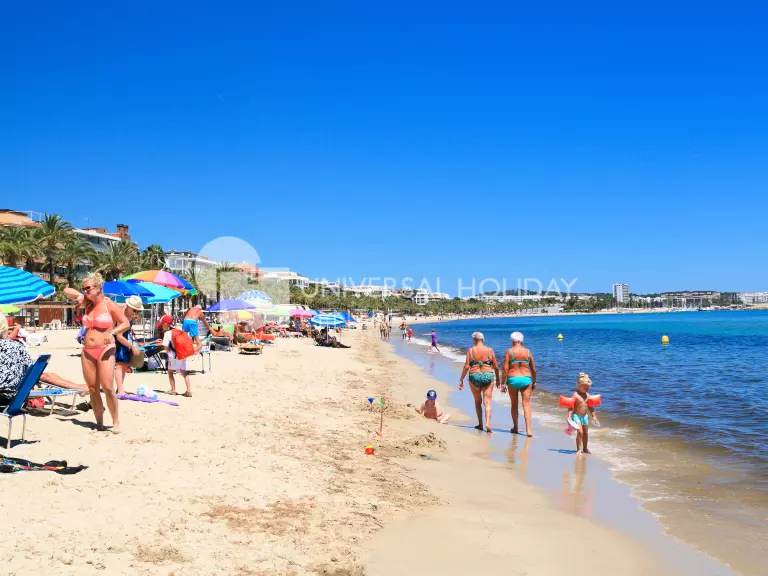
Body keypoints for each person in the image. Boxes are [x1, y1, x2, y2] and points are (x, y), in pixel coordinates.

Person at [64, 273, 128, 433]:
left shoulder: (109, 305)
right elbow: (66, 290)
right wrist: (80, 295)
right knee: (92, 388)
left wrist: (112, 333)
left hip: (105, 349)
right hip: (87, 350)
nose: (85, 291)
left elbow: (125, 323)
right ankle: (99, 423)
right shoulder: (88, 303)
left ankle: (115, 422)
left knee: (108, 387)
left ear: (99, 288)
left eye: (88, 288)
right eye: (84, 288)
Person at [459, 332, 501, 433]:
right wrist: (498, 380)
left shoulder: (470, 350)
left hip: (475, 376)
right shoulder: (490, 350)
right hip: (488, 375)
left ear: (474, 340)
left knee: (478, 401)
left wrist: (461, 379)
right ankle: (488, 423)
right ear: (483, 339)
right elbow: (495, 367)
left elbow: (466, 366)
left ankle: (480, 424)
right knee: (488, 401)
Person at [501, 331, 537, 437]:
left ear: (513, 341)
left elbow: (505, 369)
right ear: (521, 341)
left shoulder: (509, 351)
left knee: (514, 404)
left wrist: (503, 383)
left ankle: (516, 428)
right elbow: (533, 369)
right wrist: (534, 381)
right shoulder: (528, 352)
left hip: (513, 379)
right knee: (526, 404)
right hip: (526, 379)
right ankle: (528, 430)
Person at [114, 296, 144, 395]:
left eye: (137, 310)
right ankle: (120, 390)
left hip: (124, 340)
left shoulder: (129, 315)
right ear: (128, 306)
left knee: (124, 365)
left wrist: (129, 328)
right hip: (117, 341)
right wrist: (132, 347)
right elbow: (118, 336)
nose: (135, 312)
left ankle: (120, 388)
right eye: (134, 310)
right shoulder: (121, 315)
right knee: (119, 365)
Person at [160, 315, 192, 397]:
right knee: (184, 372)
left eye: (162, 324)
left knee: (170, 372)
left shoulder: (167, 333)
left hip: (173, 355)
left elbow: (166, 347)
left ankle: (173, 390)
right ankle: (189, 391)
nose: (161, 325)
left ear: (166, 324)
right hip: (182, 354)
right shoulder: (179, 331)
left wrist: (170, 355)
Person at [567, 373, 600, 454]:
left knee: (585, 433)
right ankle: (578, 449)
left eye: (588, 388)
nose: (587, 389)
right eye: (585, 387)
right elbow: (570, 406)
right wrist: (569, 417)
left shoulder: (587, 395)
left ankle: (585, 448)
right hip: (576, 416)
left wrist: (594, 416)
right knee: (580, 432)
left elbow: (590, 407)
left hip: (584, 416)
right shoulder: (575, 395)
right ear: (579, 385)